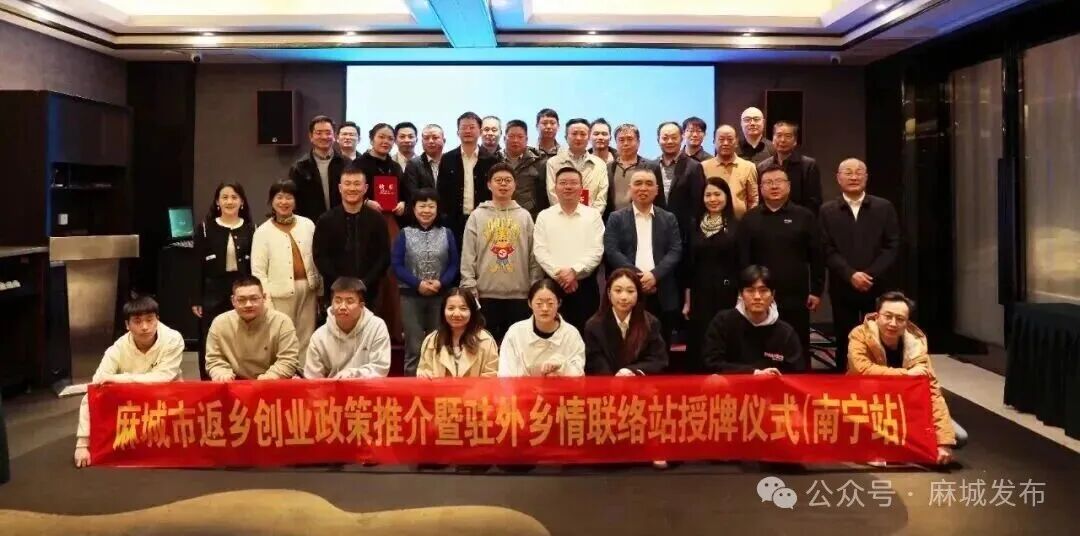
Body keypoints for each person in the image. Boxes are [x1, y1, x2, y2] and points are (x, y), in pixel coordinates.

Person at [847, 291, 966, 465]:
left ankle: (895, 441)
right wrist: (907, 375)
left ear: (907, 322)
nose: (893, 323)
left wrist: (943, 441)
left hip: (903, 407)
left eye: (900, 319)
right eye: (888, 316)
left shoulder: (915, 344)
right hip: (867, 404)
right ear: (877, 316)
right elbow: (863, 370)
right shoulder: (859, 335)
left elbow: (932, 390)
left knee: (958, 437)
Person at [74, 296, 184, 468]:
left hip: (165, 396)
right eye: (137, 321)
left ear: (158, 319)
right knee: (96, 392)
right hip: (132, 400)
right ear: (127, 325)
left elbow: (163, 377)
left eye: (150, 320)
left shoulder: (173, 339)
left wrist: (118, 379)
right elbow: (96, 385)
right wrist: (82, 444)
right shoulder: (117, 348)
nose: (145, 327)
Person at [820, 158, 901, 371]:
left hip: (877, 286)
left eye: (859, 172)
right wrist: (850, 274)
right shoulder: (827, 210)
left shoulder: (884, 207)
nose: (854, 177)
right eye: (848, 172)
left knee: (880, 337)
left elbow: (892, 246)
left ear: (866, 177)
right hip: (842, 285)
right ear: (838, 178)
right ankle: (845, 381)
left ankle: (879, 381)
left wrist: (869, 274)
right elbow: (826, 248)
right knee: (844, 338)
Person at [738, 164, 824, 364]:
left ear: (789, 186)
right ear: (761, 188)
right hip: (759, 296)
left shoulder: (805, 216)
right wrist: (743, 291)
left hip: (796, 294)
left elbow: (817, 256)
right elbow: (743, 259)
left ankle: (800, 380)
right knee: (760, 345)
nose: (774, 186)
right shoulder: (750, 219)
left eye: (779, 181)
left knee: (797, 344)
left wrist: (816, 290)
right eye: (768, 182)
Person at [460, 163, 543, 342]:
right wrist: (469, 287)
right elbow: (468, 254)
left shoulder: (524, 216)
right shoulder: (477, 216)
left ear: (515, 185)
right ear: (489, 185)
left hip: (520, 296)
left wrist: (534, 288)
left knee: (518, 347)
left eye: (508, 180)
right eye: (498, 180)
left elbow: (533, 256)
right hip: (484, 295)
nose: (503, 184)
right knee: (485, 347)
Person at [604, 169, 683, 350]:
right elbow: (612, 250)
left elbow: (675, 250)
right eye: (638, 183)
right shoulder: (616, 218)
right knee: (628, 346)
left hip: (661, 290)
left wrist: (654, 275)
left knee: (661, 346)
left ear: (657, 190)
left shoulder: (668, 218)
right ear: (630, 189)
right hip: (627, 292)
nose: (643, 188)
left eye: (649, 184)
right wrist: (637, 278)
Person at [252, 179, 321, 364]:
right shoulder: (262, 232)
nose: (284, 202)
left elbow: (317, 258)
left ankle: (304, 374)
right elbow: (258, 272)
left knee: (307, 337)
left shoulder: (308, 225)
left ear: (295, 201)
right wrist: (265, 300)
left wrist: (320, 291)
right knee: (283, 337)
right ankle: (284, 374)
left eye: (289, 197)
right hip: (278, 294)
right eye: (279, 197)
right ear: (271, 201)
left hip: (309, 290)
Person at [392, 188, 460, 376]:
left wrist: (441, 283)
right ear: (413, 209)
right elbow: (396, 265)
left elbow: (454, 264)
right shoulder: (404, 234)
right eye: (422, 206)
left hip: (440, 297)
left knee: (438, 345)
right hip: (410, 297)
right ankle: (411, 387)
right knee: (414, 347)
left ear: (437, 209)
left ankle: (437, 386)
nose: (426, 211)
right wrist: (418, 284)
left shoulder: (447, 233)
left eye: (431, 206)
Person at [192, 182, 254, 380]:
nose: (229, 201)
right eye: (225, 197)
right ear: (217, 202)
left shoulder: (251, 228)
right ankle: (209, 380)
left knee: (241, 335)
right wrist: (196, 298)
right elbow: (196, 265)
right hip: (213, 291)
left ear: (242, 202)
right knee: (211, 336)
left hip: (242, 290)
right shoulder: (205, 228)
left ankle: (240, 379)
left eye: (234, 197)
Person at [534, 166, 605, 333]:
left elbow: (597, 251)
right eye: (563, 183)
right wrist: (561, 275)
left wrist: (574, 271)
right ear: (555, 188)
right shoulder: (544, 216)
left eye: (573, 183)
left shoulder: (593, 215)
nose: (568, 187)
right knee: (551, 334)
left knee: (586, 334)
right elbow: (540, 251)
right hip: (552, 286)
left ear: (581, 188)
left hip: (585, 286)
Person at [354, 123, 407, 345]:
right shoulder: (359, 164)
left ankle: (394, 330)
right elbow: (350, 191)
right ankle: (367, 334)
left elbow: (405, 194)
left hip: (390, 223)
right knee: (372, 272)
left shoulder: (395, 167)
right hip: (366, 223)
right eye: (381, 137)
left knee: (392, 274)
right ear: (371, 138)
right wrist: (366, 201)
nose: (385, 141)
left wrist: (403, 204)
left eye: (389, 138)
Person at [682, 177, 740, 373]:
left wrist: (741, 296)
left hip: (727, 292)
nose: (713, 199)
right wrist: (687, 300)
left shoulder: (736, 226)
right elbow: (688, 266)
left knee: (724, 337)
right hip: (699, 292)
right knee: (699, 338)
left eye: (717, 194)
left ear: (727, 197)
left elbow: (742, 264)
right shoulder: (694, 225)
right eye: (708, 195)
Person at [702, 265, 803, 374]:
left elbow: (797, 371)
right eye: (750, 290)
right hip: (731, 384)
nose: (757, 297)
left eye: (763, 290)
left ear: (773, 294)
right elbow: (711, 363)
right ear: (741, 294)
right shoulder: (723, 322)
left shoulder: (786, 333)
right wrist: (753, 373)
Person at [312, 163, 390, 304]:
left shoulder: (377, 220)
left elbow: (384, 256)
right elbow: (320, 257)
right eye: (347, 184)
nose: (352, 188)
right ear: (340, 188)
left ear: (365, 188)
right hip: (336, 291)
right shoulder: (325, 220)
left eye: (357, 184)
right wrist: (341, 283)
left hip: (369, 291)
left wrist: (365, 282)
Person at [205, 276, 301, 381]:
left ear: (264, 298)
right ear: (233, 301)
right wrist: (222, 374)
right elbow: (214, 360)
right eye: (241, 300)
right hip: (234, 383)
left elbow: (288, 360)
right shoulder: (220, 323)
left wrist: (269, 377)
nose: (248, 305)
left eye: (254, 299)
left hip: (273, 382)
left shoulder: (282, 322)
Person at [584, 267, 669, 376]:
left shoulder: (651, 323)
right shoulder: (594, 325)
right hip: (606, 382)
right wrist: (614, 380)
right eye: (618, 290)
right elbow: (594, 361)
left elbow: (658, 359)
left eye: (630, 291)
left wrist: (632, 371)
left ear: (638, 294)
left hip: (639, 383)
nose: (624, 297)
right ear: (609, 293)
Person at [304, 277, 391, 379]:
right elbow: (312, 378)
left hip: (367, 387)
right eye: (338, 301)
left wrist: (352, 374)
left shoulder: (376, 327)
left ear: (361, 306)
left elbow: (380, 368)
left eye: (349, 301)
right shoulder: (319, 336)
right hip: (333, 387)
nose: (342, 307)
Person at [498, 279, 585, 377]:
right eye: (539, 304)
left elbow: (578, 373)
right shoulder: (515, 333)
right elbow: (506, 373)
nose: (545, 308)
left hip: (561, 386)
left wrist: (562, 368)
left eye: (550, 303)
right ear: (530, 303)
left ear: (559, 303)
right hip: (522, 387)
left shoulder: (571, 334)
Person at [438, 111, 498, 245]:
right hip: (453, 221)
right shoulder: (447, 159)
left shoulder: (491, 160)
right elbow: (441, 191)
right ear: (457, 132)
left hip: (484, 219)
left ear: (480, 131)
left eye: (472, 127)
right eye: (464, 127)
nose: (468, 131)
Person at [416, 288, 499, 378]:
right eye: (451, 308)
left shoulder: (486, 341)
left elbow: (491, 376)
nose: (456, 314)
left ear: (472, 312)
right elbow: (423, 370)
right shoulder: (432, 340)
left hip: (475, 388)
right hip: (440, 388)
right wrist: (424, 375)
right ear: (443, 311)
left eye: (463, 309)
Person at [756, 121, 822, 215]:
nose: (783, 140)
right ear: (773, 139)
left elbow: (814, 201)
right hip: (770, 217)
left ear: (795, 141)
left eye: (788, 136)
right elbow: (760, 199)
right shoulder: (763, 167)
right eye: (779, 135)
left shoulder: (808, 165)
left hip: (799, 218)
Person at [545, 117, 609, 214]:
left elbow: (601, 198)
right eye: (574, 134)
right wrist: (564, 216)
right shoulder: (553, 163)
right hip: (561, 218)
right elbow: (552, 195)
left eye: (583, 134)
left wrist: (591, 218)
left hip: (591, 219)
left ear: (589, 137)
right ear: (566, 137)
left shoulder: (600, 164)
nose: (578, 138)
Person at [289, 115, 346, 219]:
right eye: (319, 133)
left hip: (341, 221)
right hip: (311, 223)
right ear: (311, 136)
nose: (324, 137)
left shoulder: (346, 163)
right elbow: (294, 200)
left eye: (328, 133)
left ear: (334, 136)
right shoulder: (300, 167)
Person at [656, 121, 707, 237]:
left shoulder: (694, 167)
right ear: (658, 139)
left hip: (684, 231)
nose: (669, 141)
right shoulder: (651, 166)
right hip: (657, 230)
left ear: (682, 138)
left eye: (674, 137)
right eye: (665, 138)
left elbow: (698, 204)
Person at [701, 124, 758, 219]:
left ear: (736, 142)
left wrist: (749, 221)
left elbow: (753, 200)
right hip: (710, 223)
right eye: (721, 139)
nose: (726, 143)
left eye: (730, 139)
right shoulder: (703, 167)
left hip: (740, 223)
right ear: (714, 142)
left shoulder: (749, 167)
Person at [607, 123, 665, 218]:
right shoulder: (608, 167)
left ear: (638, 142)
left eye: (630, 139)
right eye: (621, 140)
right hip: (613, 220)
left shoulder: (652, 167)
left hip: (643, 218)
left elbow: (659, 200)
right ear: (616, 143)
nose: (625, 143)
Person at [501, 119, 549, 219]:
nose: (515, 140)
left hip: (530, 216)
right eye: (511, 136)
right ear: (504, 138)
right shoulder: (495, 159)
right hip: (500, 215)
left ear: (526, 139)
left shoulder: (539, 161)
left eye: (520, 137)